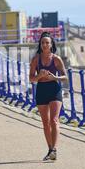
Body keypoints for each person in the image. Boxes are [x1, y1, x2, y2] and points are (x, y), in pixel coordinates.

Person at [29, 32, 67, 162]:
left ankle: (54, 149)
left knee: (54, 120)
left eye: (47, 43)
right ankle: (50, 149)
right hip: (41, 89)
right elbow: (31, 79)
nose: (45, 45)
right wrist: (39, 76)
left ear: (51, 45)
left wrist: (55, 77)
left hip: (54, 89)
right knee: (45, 122)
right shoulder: (36, 59)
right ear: (40, 44)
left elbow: (65, 76)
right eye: (43, 43)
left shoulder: (56, 59)